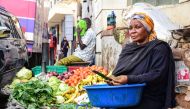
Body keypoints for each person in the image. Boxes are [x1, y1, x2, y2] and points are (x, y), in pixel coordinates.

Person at [106, 13, 176, 109]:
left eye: (137, 27)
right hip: (126, 95)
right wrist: (113, 79)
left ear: (147, 29)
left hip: (148, 98)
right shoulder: (128, 49)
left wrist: (128, 79)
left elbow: (157, 74)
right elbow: (119, 71)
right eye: (130, 28)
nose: (132, 32)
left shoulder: (159, 48)